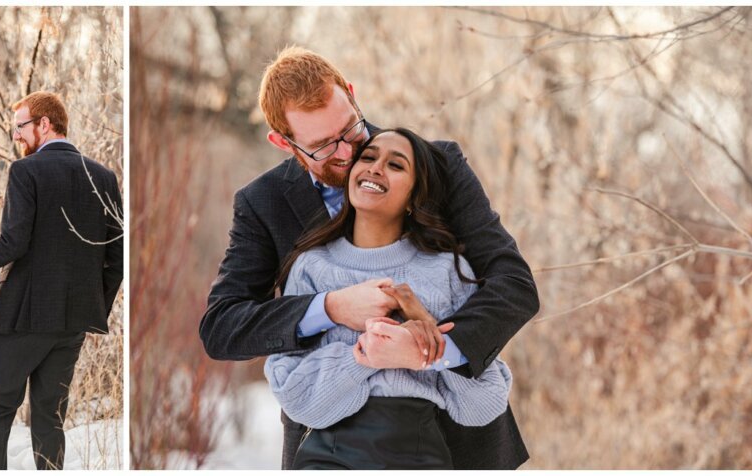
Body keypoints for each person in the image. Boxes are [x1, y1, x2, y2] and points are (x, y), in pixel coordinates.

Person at [200, 46, 539, 469]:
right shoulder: (261, 203)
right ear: (281, 142)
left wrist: (431, 349)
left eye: (349, 129)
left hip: (457, 443)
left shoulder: (436, 165)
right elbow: (222, 327)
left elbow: (514, 285)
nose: (346, 153)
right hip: (324, 447)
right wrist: (331, 308)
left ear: (352, 94)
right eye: (323, 146)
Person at [266, 128, 514, 469]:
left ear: (415, 196)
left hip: (421, 456)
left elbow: (484, 404)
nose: (375, 168)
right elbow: (293, 393)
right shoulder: (312, 267)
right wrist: (363, 356)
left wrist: (427, 337)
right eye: (368, 158)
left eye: (396, 165)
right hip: (328, 457)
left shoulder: (446, 271)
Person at [0, 91, 123, 470]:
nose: (16, 136)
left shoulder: (25, 171)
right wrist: (92, 305)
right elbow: (117, 261)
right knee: (50, 418)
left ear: (44, 124)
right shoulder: (104, 177)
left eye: (20, 127)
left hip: (24, 318)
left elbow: (14, 242)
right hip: (74, 323)